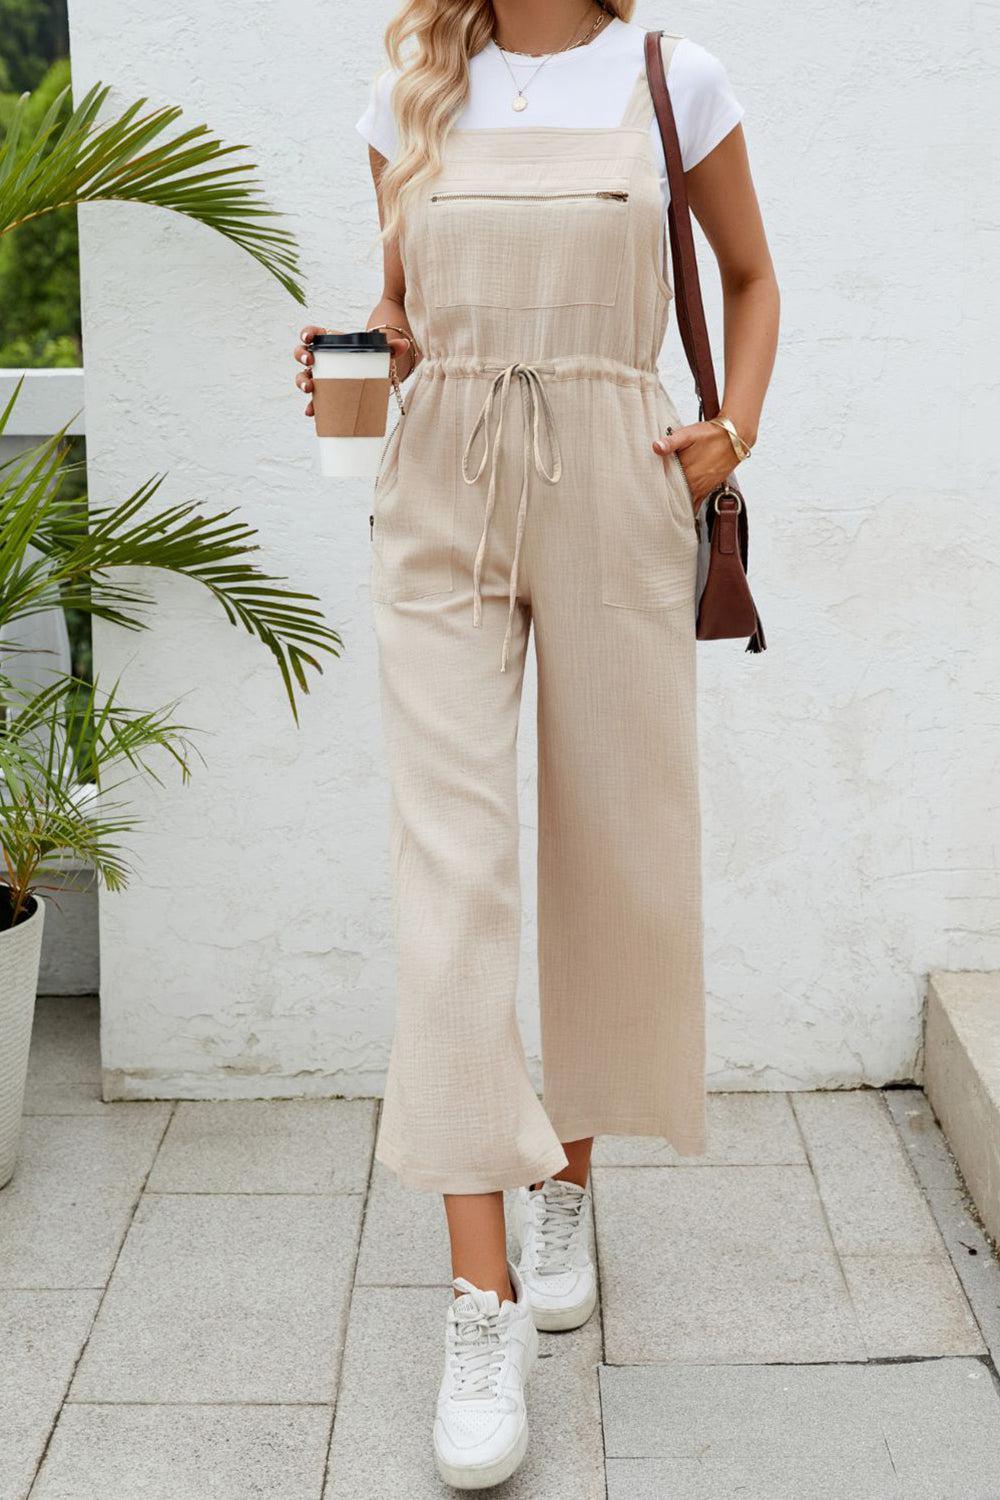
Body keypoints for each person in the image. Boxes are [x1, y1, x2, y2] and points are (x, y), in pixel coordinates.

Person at [295, 1, 779, 1486]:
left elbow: (753, 279)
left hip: (615, 477)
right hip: (439, 488)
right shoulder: (412, 91)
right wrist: (341, 358)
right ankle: (479, 1294)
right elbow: (403, 310)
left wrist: (731, 428)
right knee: (453, 882)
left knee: (613, 848)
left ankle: (569, 1166)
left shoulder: (671, 77)